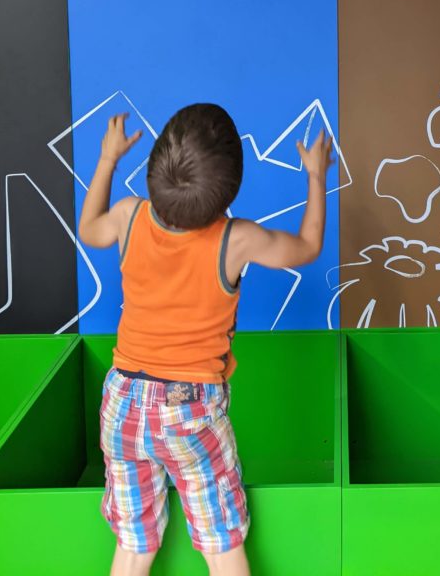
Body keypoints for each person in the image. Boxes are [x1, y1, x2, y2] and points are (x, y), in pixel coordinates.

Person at [78, 104, 334, 576]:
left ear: (154, 170)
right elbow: (308, 246)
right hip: (188, 409)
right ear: (230, 189)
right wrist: (316, 175)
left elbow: (88, 229)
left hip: (122, 401)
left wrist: (108, 158)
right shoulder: (236, 239)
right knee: (221, 544)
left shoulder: (128, 215)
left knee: (133, 543)